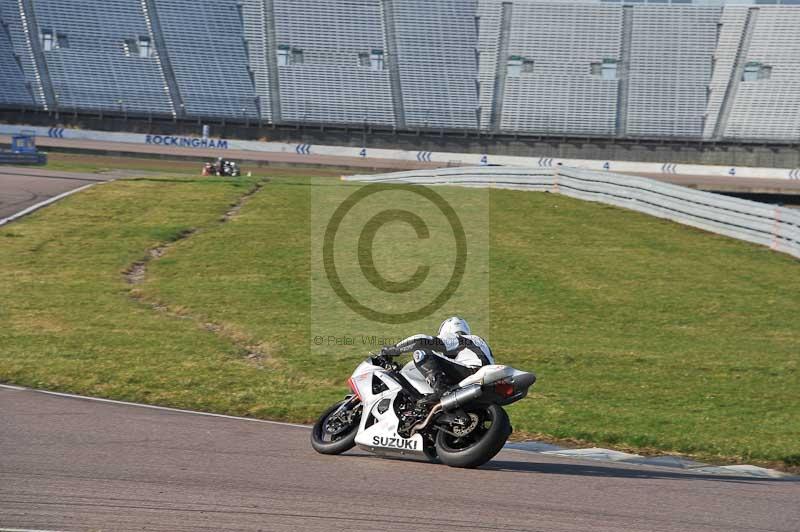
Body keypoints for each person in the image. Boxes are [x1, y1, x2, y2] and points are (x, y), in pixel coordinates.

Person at [381, 317, 494, 407]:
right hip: (483, 380)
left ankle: (440, 390)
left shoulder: (460, 338)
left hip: (473, 372)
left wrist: (394, 349)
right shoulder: (474, 344)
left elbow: (422, 341)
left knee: (421, 352)